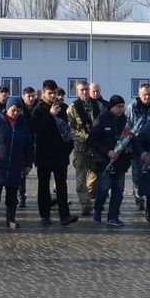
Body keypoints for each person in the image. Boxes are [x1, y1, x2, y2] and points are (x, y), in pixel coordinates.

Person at [31, 79, 79, 226]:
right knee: (43, 187)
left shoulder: (63, 108)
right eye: (50, 93)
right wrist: (50, 115)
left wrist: (68, 147)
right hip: (44, 155)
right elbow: (36, 130)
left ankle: (65, 215)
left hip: (60, 155)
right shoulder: (38, 109)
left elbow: (69, 130)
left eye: (55, 93)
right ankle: (45, 215)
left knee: (62, 186)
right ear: (44, 93)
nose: (53, 96)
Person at [0, 96, 34, 229]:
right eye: (13, 110)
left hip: (15, 163)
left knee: (12, 193)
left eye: (18, 111)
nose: (15, 113)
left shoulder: (23, 123)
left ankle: (11, 218)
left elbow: (29, 145)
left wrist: (28, 163)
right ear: (7, 109)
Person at [88, 94, 133, 227]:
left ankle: (113, 216)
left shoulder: (125, 121)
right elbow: (92, 140)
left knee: (118, 191)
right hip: (104, 162)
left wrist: (129, 149)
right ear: (112, 107)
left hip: (121, 162)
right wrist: (107, 151)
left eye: (123, 107)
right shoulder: (102, 119)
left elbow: (131, 138)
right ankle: (97, 210)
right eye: (118, 107)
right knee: (103, 189)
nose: (121, 109)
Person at [66, 80, 98, 216]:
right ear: (77, 92)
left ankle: (89, 196)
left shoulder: (97, 105)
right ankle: (85, 204)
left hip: (96, 147)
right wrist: (85, 137)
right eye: (82, 90)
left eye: (86, 89)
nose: (85, 92)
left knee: (97, 175)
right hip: (81, 147)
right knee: (80, 178)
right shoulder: (72, 108)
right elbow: (71, 129)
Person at [125, 83, 150, 210]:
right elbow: (127, 127)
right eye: (145, 94)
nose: (147, 97)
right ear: (139, 94)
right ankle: (139, 200)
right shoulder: (132, 107)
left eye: (149, 94)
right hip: (136, 146)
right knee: (137, 175)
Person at [18, 86, 39, 208]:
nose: (31, 99)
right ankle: (21, 197)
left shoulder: (39, 107)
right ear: (23, 96)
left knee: (42, 170)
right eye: (28, 96)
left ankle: (44, 196)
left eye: (33, 96)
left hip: (37, 143)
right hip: (23, 143)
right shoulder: (19, 107)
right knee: (22, 171)